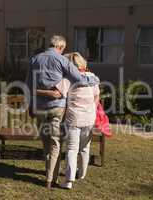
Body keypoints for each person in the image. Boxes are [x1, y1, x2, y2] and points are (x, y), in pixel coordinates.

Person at [25, 35, 99, 189]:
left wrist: (30, 106)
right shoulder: (62, 60)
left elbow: (28, 86)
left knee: (46, 143)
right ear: (61, 47)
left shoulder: (34, 60)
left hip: (39, 107)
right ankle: (50, 179)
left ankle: (49, 175)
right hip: (57, 108)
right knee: (55, 143)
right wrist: (94, 80)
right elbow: (79, 78)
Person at [57, 52, 100, 190]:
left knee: (71, 149)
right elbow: (96, 98)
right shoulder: (92, 77)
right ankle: (81, 174)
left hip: (74, 118)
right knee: (84, 147)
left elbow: (59, 95)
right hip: (89, 117)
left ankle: (68, 180)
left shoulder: (68, 79)